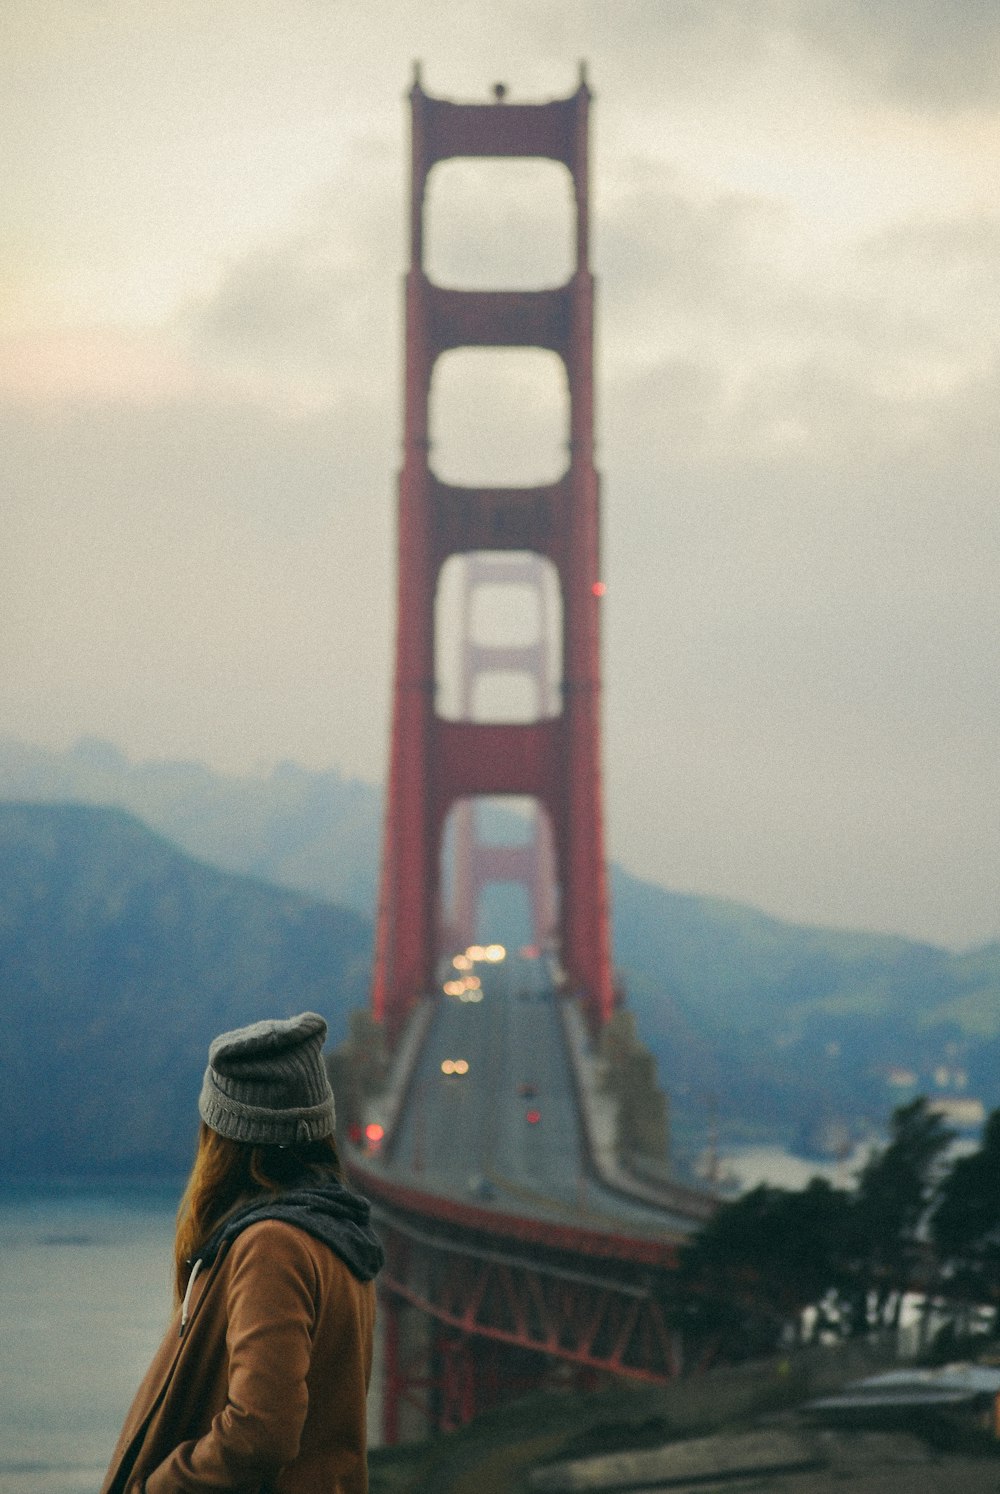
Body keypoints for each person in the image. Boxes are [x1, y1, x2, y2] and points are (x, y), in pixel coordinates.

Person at [101, 1011, 384, 1494]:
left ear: (225, 1136)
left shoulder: (272, 1245)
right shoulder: (337, 1237)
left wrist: (157, 1487)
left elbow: (260, 1432)